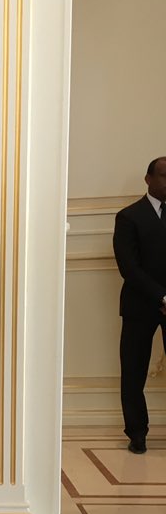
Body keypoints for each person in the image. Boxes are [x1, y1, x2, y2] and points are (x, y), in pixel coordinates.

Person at [112, 156, 166, 454]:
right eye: (163, 176)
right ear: (148, 179)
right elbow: (129, 267)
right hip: (139, 307)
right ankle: (137, 434)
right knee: (133, 374)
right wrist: (162, 297)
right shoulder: (128, 216)